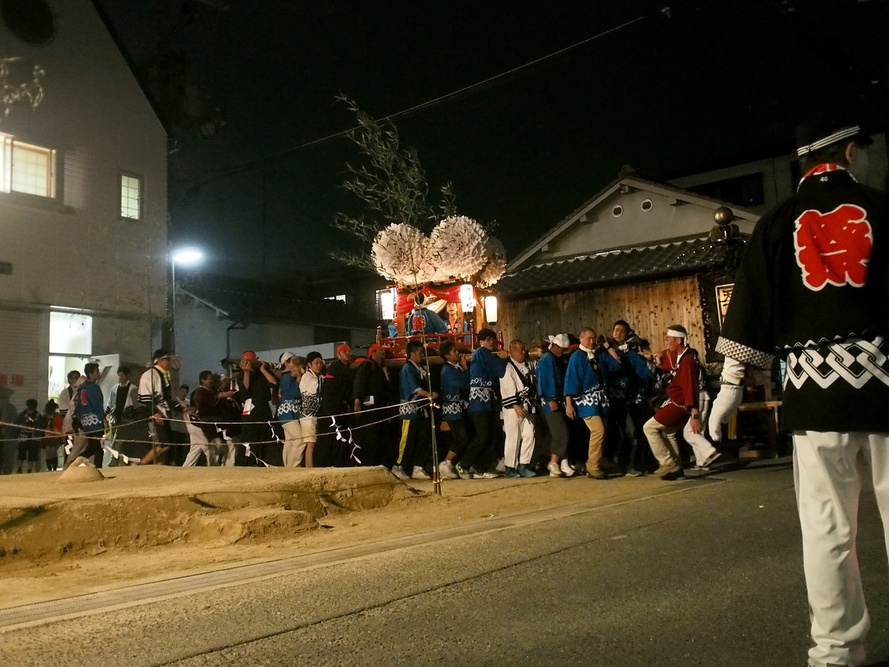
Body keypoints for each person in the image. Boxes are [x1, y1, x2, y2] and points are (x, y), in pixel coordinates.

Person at [708, 114, 887, 667]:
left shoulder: (776, 221)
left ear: (801, 164)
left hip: (814, 393)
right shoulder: (882, 208)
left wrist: (730, 385)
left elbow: (751, 306)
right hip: (887, 382)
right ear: (850, 153)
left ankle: (837, 650)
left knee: (828, 529)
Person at [642, 325, 720, 481]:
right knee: (669, 432)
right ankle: (677, 468)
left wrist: (693, 414)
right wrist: (654, 356)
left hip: (680, 403)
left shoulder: (687, 361)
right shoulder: (681, 356)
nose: (666, 342)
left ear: (678, 340)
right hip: (680, 401)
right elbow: (668, 360)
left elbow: (690, 387)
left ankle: (668, 462)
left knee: (649, 428)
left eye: (669, 339)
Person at [564, 327, 620, 479]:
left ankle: (597, 460)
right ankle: (592, 464)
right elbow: (570, 380)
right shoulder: (577, 357)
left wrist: (607, 347)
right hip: (586, 400)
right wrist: (569, 403)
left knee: (603, 432)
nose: (592, 341)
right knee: (598, 430)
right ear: (581, 339)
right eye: (589, 338)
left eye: (593, 338)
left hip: (601, 399)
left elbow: (616, 363)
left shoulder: (598, 355)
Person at [605, 320, 656, 476]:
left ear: (627, 334)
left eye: (621, 331)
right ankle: (612, 463)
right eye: (615, 330)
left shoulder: (631, 353)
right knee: (611, 434)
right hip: (607, 400)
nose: (617, 333)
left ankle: (629, 465)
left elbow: (645, 373)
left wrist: (650, 362)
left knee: (631, 433)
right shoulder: (604, 350)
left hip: (625, 400)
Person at [458, 328, 506, 479]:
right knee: (483, 435)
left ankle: (480, 467)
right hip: (480, 402)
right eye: (488, 339)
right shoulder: (481, 353)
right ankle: (465, 464)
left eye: (493, 339)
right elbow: (500, 371)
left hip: (486, 401)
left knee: (489, 435)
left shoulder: (485, 355)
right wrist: (503, 359)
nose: (491, 342)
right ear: (481, 341)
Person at [392, 340, 437, 480]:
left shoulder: (419, 368)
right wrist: (428, 394)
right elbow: (414, 388)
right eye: (419, 352)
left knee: (422, 439)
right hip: (408, 410)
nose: (421, 355)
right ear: (411, 354)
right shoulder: (407, 369)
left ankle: (418, 467)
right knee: (407, 440)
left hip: (419, 410)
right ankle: (398, 466)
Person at [500, 338, 537, 478]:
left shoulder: (528, 365)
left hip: (528, 405)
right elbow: (507, 387)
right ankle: (510, 467)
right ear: (513, 351)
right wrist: (515, 405)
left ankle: (524, 464)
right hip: (513, 408)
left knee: (529, 434)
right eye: (521, 349)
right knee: (513, 437)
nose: (524, 351)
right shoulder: (507, 366)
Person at [352, 344, 394, 467]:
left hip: (379, 407)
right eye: (380, 350)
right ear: (373, 353)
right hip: (369, 406)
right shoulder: (367, 364)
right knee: (370, 436)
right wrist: (357, 402)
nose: (383, 352)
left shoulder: (381, 368)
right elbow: (360, 383)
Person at [537, 334, 573, 478]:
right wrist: (549, 398)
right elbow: (545, 380)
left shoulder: (553, 359)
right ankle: (553, 462)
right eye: (562, 349)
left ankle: (560, 462)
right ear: (556, 346)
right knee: (560, 432)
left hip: (555, 400)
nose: (562, 352)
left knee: (556, 433)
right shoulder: (547, 360)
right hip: (550, 401)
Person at [236, 350, 279, 466]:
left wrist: (263, 369)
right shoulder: (241, 375)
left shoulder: (262, 373)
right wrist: (246, 372)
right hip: (250, 409)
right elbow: (245, 390)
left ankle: (264, 461)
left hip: (263, 407)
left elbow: (274, 383)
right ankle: (248, 461)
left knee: (265, 435)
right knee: (250, 436)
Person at [316, 344, 356, 466]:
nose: (348, 353)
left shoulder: (344, 368)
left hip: (340, 407)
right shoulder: (335, 368)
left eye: (349, 351)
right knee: (334, 437)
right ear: (338, 354)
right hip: (332, 408)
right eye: (345, 351)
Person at [437, 339, 471, 480]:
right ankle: (447, 462)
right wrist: (465, 367)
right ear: (447, 356)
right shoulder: (448, 371)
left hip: (458, 408)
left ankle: (452, 462)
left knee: (463, 437)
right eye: (455, 351)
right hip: (452, 409)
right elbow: (464, 383)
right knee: (460, 437)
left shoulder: (452, 368)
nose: (458, 353)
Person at [137, 350, 176, 465]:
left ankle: (159, 467)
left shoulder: (164, 375)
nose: (169, 362)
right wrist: (156, 413)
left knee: (168, 445)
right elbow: (144, 399)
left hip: (164, 414)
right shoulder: (149, 375)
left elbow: (168, 398)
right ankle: (141, 464)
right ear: (158, 360)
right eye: (167, 359)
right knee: (164, 444)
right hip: (155, 415)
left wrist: (182, 408)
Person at [65, 362, 105, 468]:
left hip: (85, 422)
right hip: (95, 422)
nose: (99, 373)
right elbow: (97, 406)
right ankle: (74, 463)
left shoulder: (82, 388)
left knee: (94, 448)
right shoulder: (94, 388)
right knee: (96, 449)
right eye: (97, 371)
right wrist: (103, 419)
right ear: (90, 374)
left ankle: (74, 463)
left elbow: (78, 406)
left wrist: (78, 420)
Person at [277, 352, 307, 467]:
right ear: (286, 364)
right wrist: (299, 379)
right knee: (299, 440)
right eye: (292, 362)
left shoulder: (288, 376)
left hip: (288, 412)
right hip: (287, 412)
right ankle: (293, 466)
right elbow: (292, 393)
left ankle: (287, 466)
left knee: (289, 441)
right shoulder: (287, 377)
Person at [105, 366, 138, 465]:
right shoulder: (115, 388)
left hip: (126, 419)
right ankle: (120, 462)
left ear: (127, 376)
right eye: (119, 375)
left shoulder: (133, 388)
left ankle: (113, 461)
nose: (120, 377)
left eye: (122, 375)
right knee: (115, 441)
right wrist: (106, 415)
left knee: (118, 441)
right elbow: (110, 403)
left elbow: (135, 404)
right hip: (115, 419)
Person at [299, 351, 325, 468]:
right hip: (308, 415)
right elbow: (316, 389)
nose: (319, 365)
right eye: (317, 363)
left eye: (321, 363)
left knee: (314, 442)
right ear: (309, 364)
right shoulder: (307, 376)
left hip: (314, 414)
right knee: (310, 443)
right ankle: (309, 468)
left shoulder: (317, 376)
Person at [13, 399, 45, 473]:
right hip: (23, 436)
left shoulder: (38, 416)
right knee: (21, 453)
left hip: (34, 437)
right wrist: (15, 435)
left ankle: (29, 470)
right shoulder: (22, 415)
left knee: (32, 454)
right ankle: (19, 469)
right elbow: (16, 425)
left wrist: (39, 437)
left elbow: (41, 427)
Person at [43, 400, 64, 471]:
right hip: (50, 436)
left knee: (51, 453)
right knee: (52, 453)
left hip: (53, 436)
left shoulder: (49, 417)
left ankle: (52, 469)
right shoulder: (46, 417)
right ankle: (51, 469)